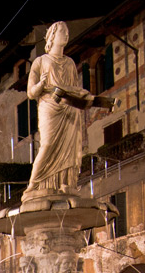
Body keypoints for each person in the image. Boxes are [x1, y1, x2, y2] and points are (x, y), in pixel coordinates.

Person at [26, 20, 111, 193]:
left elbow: (74, 88)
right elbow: (30, 93)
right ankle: (33, 185)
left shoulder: (70, 63)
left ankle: (66, 183)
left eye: (67, 32)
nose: (66, 34)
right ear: (52, 36)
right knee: (48, 145)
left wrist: (87, 98)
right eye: (62, 31)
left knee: (71, 149)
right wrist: (41, 85)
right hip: (50, 107)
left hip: (69, 109)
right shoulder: (40, 61)